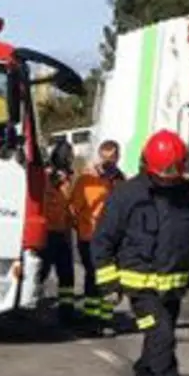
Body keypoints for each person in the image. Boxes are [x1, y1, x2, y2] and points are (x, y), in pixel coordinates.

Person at [90, 129, 189, 376]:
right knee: (162, 337)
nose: (170, 179)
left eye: (175, 172)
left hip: (173, 288)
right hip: (140, 289)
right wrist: (109, 284)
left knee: (157, 343)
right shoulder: (127, 195)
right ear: (149, 166)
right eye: (164, 173)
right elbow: (102, 240)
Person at [70, 140, 125, 327]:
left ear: (118, 158)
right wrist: (81, 227)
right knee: (94, 276)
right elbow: (74, 209)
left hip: (112, 239)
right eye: (105, 157)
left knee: (110, 278)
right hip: (89, 236)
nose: (108, 161)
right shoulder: (86, 180)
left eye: (112, 157)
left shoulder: (121, 181)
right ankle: (92, 318)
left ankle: (105, 317)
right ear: (99, 157)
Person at [39, 140, 77, 324]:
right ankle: (32, 307)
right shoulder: (46, 175)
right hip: (47, 231)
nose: (70, 158)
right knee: (42, 272)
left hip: (63, 231)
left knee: (67, 275)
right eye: (68, 155)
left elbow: (70, 204)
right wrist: (54, 178)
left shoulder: (69, 177)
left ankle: (67, 311)